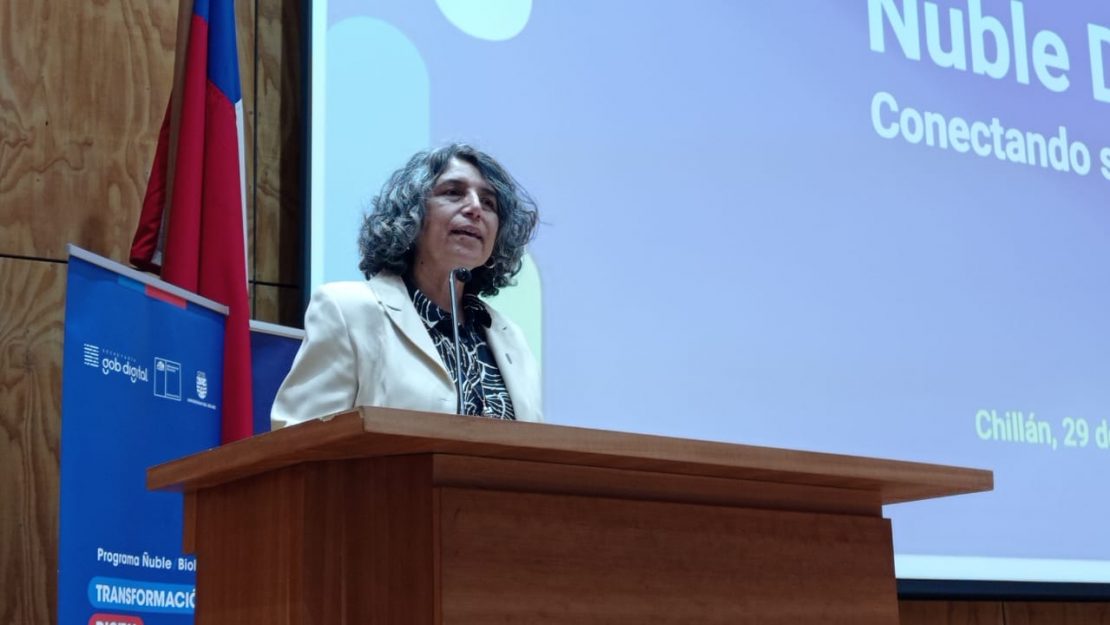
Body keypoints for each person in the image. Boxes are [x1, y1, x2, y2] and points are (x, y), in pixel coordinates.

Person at [271, 144, 543, 429]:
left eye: (489, 203)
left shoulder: (511, 337)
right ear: (412, 211)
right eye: (453, 192)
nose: (475, 208)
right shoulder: (348, 310)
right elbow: (300, 436)